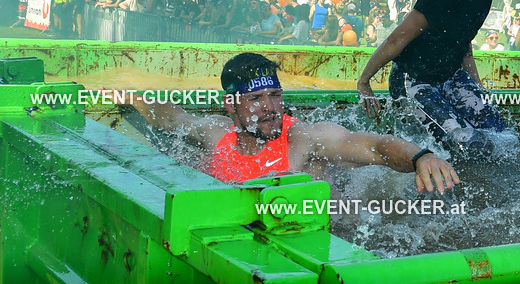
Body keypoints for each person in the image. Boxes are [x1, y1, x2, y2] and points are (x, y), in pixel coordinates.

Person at [121, 52, 458, 192]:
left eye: (275, 95)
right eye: (256, 99)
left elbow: (375, 145)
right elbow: (173, 118)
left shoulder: (306, 138)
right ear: (231, 105)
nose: (270, 108)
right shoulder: (216, 133)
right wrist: (131, 98)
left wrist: (421, 157)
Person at [357, 0, 520, 158]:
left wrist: (476, 86)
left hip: (450, 75)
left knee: (503, 135)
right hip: (414, 79)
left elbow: (464, 42)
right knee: (464, 142)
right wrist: (364, 81)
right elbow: (398, 38)